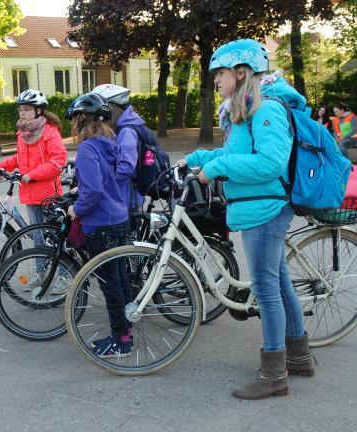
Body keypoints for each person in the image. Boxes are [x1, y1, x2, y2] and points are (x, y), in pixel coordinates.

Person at [178, 39, 314, 400]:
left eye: (220, 74)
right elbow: (233, 153)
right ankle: (299, 357)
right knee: (279, 283)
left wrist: (217, 167)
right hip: (255, 209)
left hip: (266, 210)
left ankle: (274, 376)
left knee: (267, 290)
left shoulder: (266, 111)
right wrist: (195, 158)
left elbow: (270, 163)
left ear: (241, 73)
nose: (217, 81)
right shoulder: (245, 114)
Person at [66, 93, 132, 358]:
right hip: (118, 218)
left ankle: (121, 340)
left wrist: (76, 208)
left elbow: (92, 192)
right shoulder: (109, 143)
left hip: (100, 224)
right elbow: (106, 181)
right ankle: (126, 330)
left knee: (110, 284)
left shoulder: (86, 148)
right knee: (120, 278)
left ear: (81, 119)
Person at [0, 89, 67, 288]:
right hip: (29, 194)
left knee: (54, 238)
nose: (22, 113)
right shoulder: (23, 133)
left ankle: (65, 276)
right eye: (20, 109)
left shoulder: (50, 132)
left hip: (48, 195)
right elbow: (21, 159)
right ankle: (41, 274)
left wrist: (32, 175)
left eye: (27, 109)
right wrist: (4, 166)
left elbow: (57, 162)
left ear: (38, 111)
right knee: (37, 238)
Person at [91, 84, 145, 238]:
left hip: (126, 200)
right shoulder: (120, 128)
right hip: (122, 197)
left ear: (113, 108)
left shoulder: (127, 131)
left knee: (129, 250)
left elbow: (126, 167)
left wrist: (102, 181)